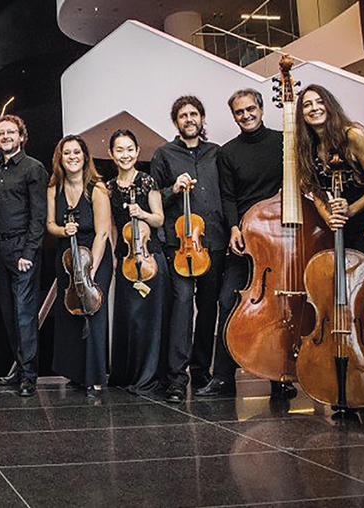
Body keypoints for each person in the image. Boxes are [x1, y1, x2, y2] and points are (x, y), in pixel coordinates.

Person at [203, 89, 296, 399]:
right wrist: (233, 227)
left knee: (280, 306)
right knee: (228, 302)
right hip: (246, 237)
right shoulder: (228, 152)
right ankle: (223, 378)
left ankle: (280, 375)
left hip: (281, 239)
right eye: (239, 112)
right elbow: (228, 196)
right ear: (234, 116)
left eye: (250, 109)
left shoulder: (284, 141)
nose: (246, 115)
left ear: (261, 108)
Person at [149, 96, 226, 403]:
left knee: (208, 309)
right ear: (176, 121)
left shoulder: (217, 153)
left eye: (194, 114)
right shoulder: (163, 154)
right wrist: (173, 189)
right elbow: (153, 197)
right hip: (179, 245)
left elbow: (226, 194)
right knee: (181, 308)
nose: (189, 119)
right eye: (183, 115)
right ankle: (177, 379)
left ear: (202, 118)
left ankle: (201, 371)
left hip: (213, 242)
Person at [0, 114, 47, 397]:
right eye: (1, 133)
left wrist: (29, 252)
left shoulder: (33, 168)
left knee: (25, 315)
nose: (6, 137)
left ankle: (29, 376)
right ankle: (19, 370)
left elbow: (38, 215)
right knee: (8, 314)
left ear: (21, 136)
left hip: (22, 250)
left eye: (11, 132)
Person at [46, 135, 112, 395]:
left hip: (94, 256)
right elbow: (50, 225)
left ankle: (95, 376)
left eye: (77, 152)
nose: (72, 157)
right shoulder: (54, 187)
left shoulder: (97, 188)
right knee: (71, 312)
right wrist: (63, 230)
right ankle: (76, 373)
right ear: (60, 158)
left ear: (85, 157)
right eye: (67, 153)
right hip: (67, 258)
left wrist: (90, 270)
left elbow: (102, 233)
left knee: (93, 312)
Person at [104, 129, 166, 397]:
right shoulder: (109, 187)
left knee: (148, 321)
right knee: (129, 319)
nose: (125, 155)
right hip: (126, 257)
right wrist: (113, 257)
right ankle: (126, 374)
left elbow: (159, 219)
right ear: (111, 154)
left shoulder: (147, 181)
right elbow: (113, 227)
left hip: (150, 258)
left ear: (138, 151)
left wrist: (142, 213)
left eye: (130, 149)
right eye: (119, 150)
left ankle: (147, 378)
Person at [295, 84, 364, 254]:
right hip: (340, 228)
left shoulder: (352, 136)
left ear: (330, 106)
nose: (314, 108)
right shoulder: (307, 147)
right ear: (302, 114)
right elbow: (316, 190)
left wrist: (351, 210)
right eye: (307, 105)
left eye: (320, 102)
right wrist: (328, 218)